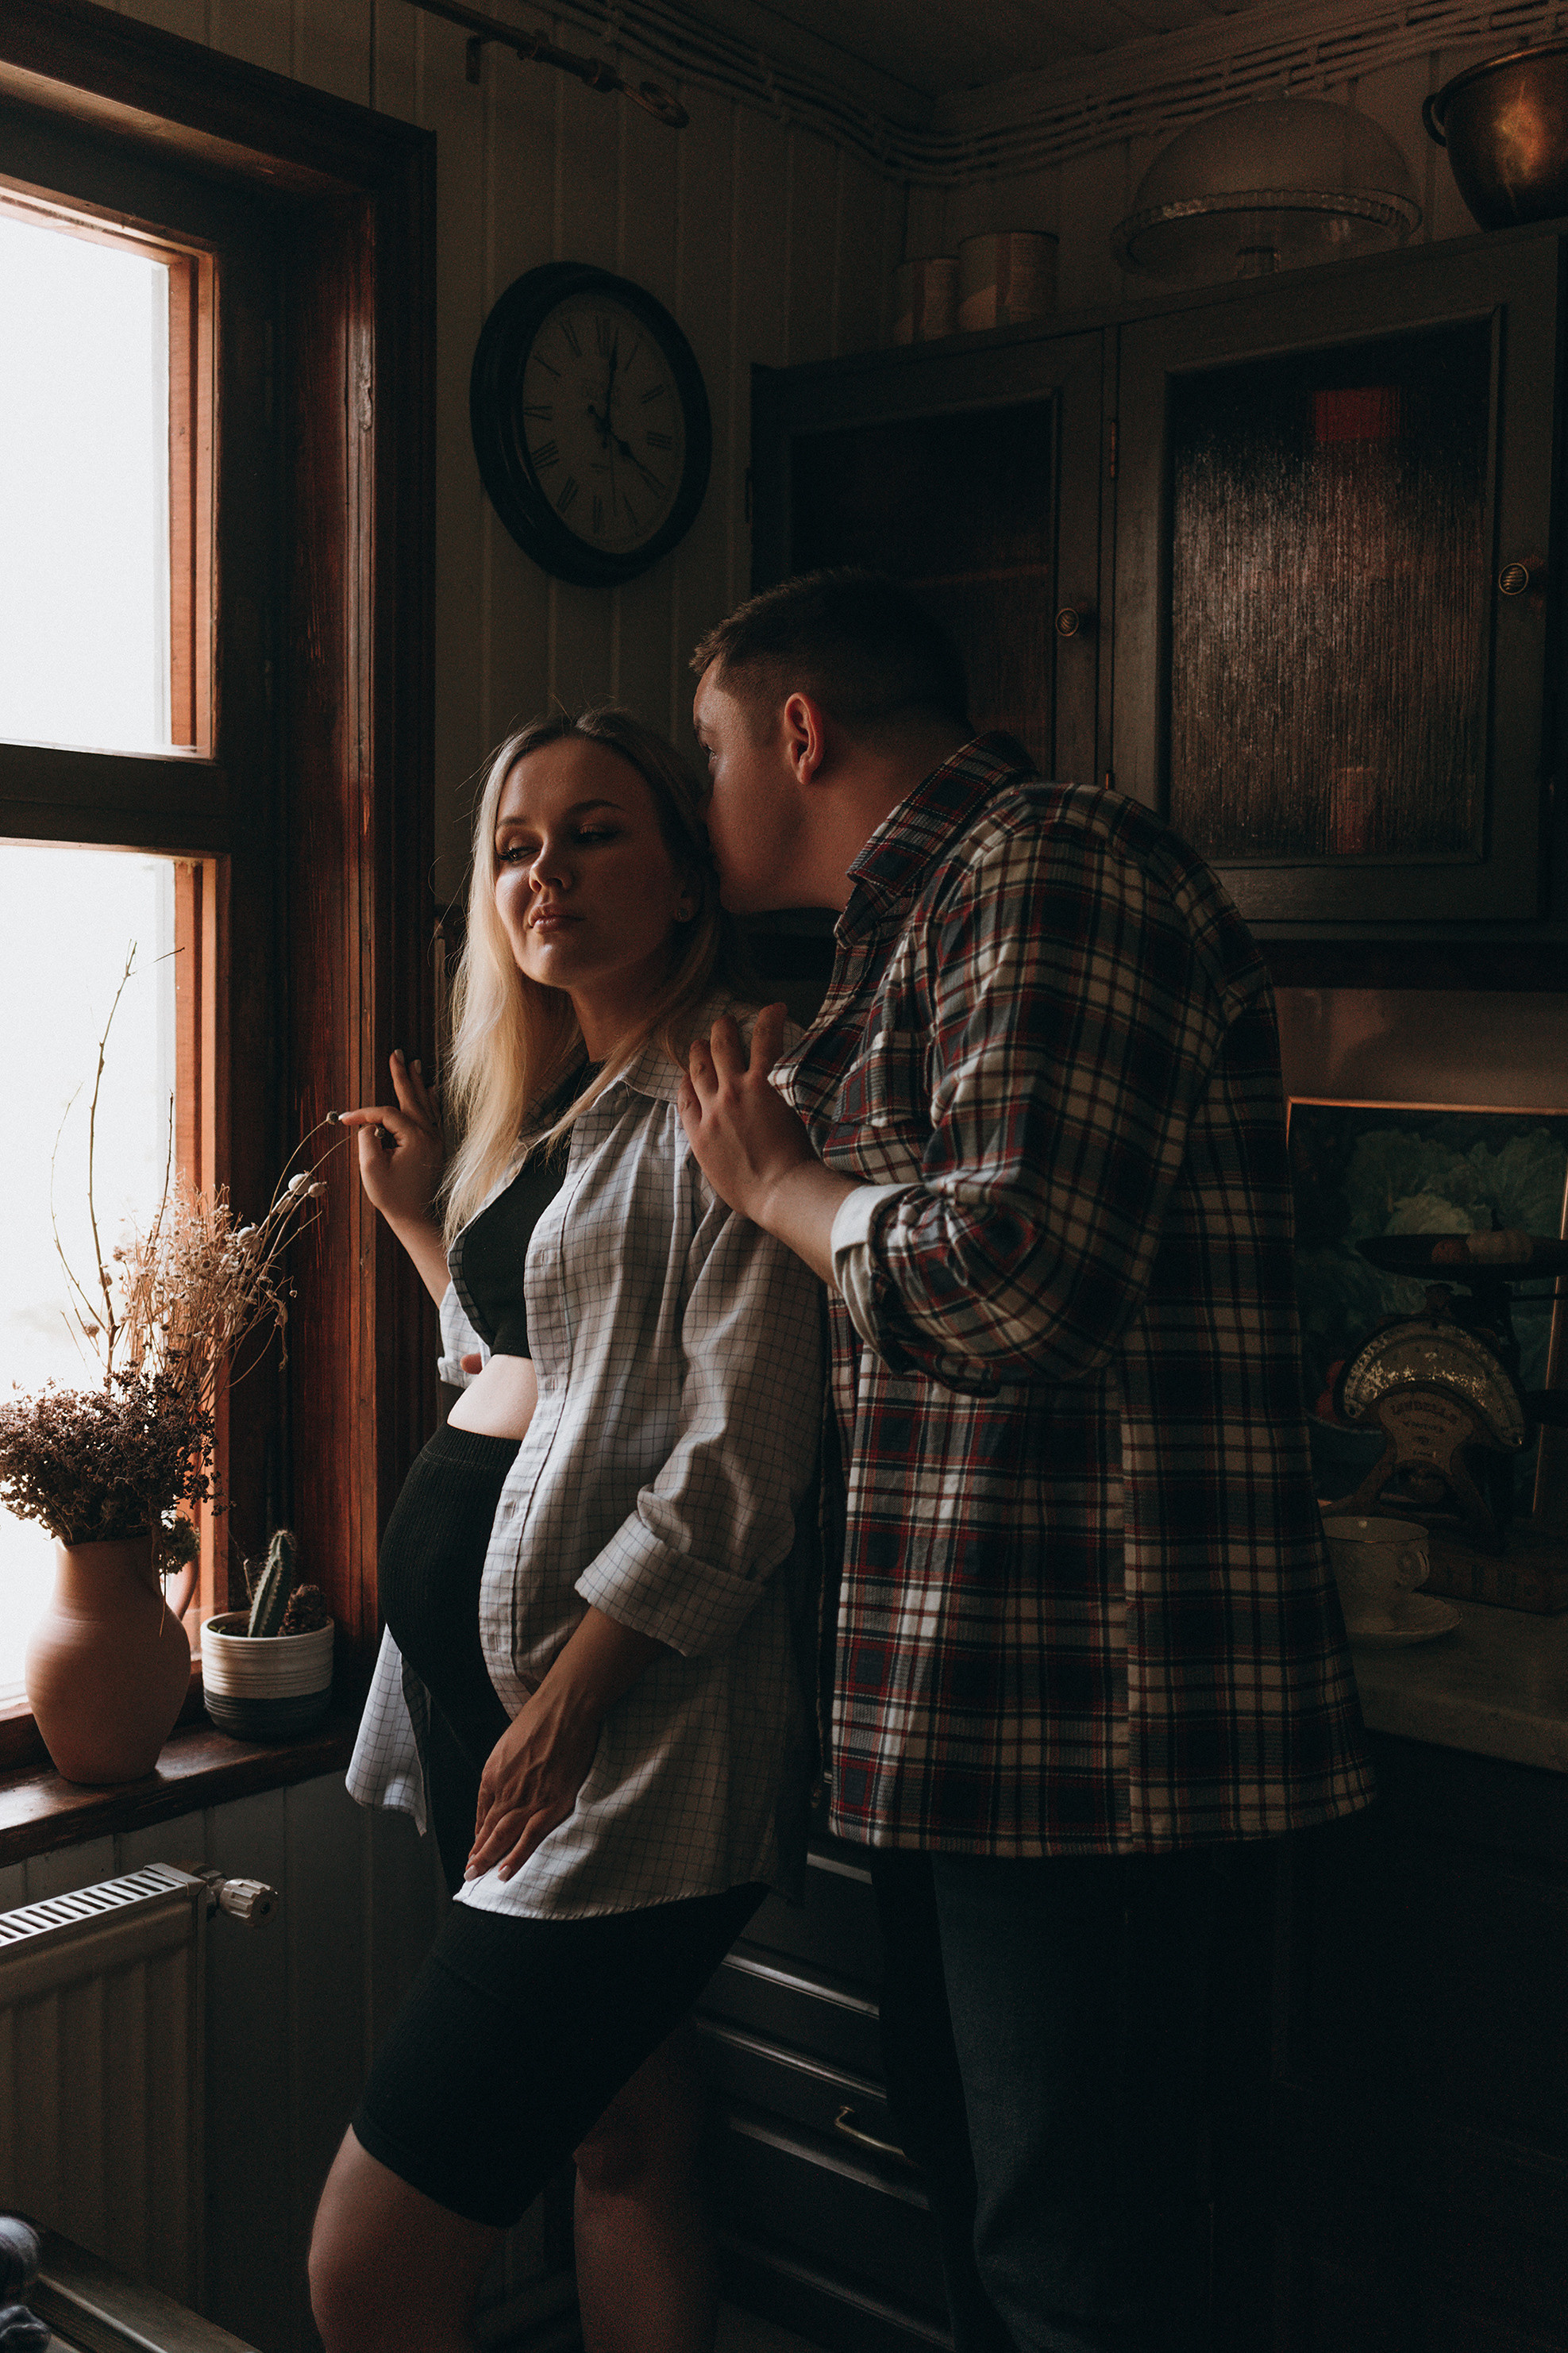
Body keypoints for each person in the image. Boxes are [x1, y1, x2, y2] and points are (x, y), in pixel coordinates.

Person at [675, 570, 1373, 2353]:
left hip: (1096, 1722)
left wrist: (783, 1188)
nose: (706, 798)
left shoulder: (1047, 865)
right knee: (1008, 2231)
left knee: (1084, 2269)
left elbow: (1016, 1281)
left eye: (707, 752)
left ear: (799, 731)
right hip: (970, 1710)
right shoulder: (912, 931)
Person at [309, 708, 823, 2353]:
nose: (547, 872)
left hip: (616, 1738)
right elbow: (528, 1379)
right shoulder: (560, 1103)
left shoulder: (732, 1087)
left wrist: (571, 1702)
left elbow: (738, 1458)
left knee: (366, 2272)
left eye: (595, 832)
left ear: (684, 873)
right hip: (496, 1712)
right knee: (624, 2133)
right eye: (517, 845)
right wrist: (419, 1232)